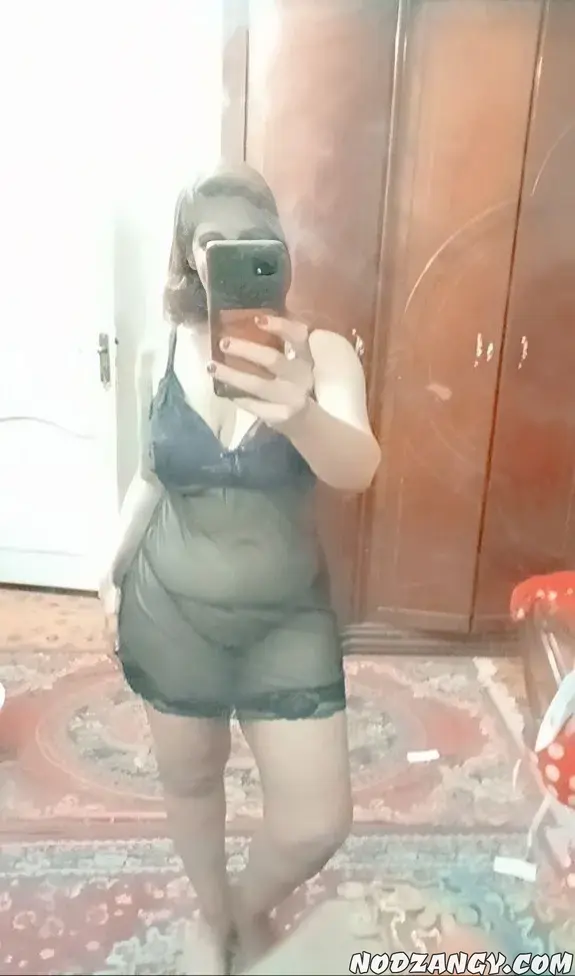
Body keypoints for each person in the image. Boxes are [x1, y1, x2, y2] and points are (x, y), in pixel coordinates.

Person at [99, 163, 381, 975]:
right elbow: (151, 477)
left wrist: (298, 413)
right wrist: (109, 571)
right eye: (210, 239)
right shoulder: (159, 350)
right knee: (191, 781)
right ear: (190, 256)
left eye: (248, 237)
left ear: (277, 248)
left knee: (315, 822)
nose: (228, 250)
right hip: (170, 610)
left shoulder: (321, 353)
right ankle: (212, 918)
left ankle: (248, 905)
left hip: (285, 622)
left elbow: (357, 469)